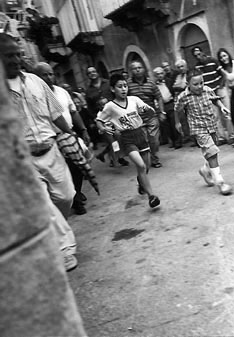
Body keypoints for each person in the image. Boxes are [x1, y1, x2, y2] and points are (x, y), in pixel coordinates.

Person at [1, 33, 78, 271]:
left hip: (51, 150)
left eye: (18, 54)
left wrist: (73, 135)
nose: (16, 59)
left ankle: (51, 236)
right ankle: (65, 250)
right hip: (22, 159)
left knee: (66, 197)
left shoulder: (36, 81)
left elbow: (56, 113)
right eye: (9, 56)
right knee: (44, 204)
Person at [33, 62, 92, 215]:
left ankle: (76, 193)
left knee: (78, 167)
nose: (48, 77)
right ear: (37, 77)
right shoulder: (35, 96)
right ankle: (74, 201)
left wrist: (83, 130)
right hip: (51, 141)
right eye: (44, 74)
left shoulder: (62, 92)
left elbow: (73, 112)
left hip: (68, 134)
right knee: (63, 171)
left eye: (50, 73)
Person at [96, 74, 161, 208]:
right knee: (140, 166)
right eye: (120, 86)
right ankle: (151, 196)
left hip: (140, 134)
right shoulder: (110, 106)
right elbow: (99, 120)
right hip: (126, 138)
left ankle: (141, 183)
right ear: (113, 89)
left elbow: (149, 110)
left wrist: (149, 111)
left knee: (146, 166)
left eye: (125, 86)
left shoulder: (134, 100)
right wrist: (103, 128)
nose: (124, 89)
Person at [174, 69, 233, 195]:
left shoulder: (207, 90)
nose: (199, 86)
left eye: (201, 82)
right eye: (195, 84)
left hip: (211, 125)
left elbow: (215, 99)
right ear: (187, 84)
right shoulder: (183, 97)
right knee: (212, 151)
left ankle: (206, 170)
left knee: (212, 151)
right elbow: (177, 109)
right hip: (198, 129)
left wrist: (222, 107)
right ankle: (220, 182)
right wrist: (177, 122)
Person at [192, 46, 233, 145]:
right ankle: (222, 137)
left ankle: (231, 135)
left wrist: (221, 86)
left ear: (202, 53)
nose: (198, 57)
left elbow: (223, 75)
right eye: (195, 56)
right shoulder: (197, 67)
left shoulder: (213, 61)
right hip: (210, 93)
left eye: (199, 54)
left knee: (226, 112)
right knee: (215, 115)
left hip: (220, 89)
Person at [127, 60, 165, 168]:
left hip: (151, 116)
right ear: (131, 71)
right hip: (137, 118)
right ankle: (149, 160)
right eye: (135, 68)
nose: (138, 70)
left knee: (154, 140)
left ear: (144, 69)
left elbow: (159, 97)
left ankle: (153, 158)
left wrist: (162, 112)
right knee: (143, 140)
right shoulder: (128, 84)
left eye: (139, 67)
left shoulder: (151, 83)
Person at [153, 66, 179, 147]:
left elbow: (174, 91)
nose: (160, 75)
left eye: (161, 73)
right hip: (162, 106)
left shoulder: (169, 81)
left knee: (173, 123)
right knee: (166, 125)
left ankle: (178, 141)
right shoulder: (154, 85)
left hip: (170, 103)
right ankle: (172, 141)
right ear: (155, 76)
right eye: (158, 74)